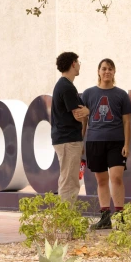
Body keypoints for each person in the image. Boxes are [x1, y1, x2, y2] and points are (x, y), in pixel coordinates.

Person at [82, 58, 131, 230]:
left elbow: (127, 121)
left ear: (114, 72)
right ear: (98, 71)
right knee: (101, 179)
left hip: (116, 141)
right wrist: (82, 141)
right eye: (104, 69)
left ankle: (119, 215)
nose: (107, 72)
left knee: (116, 177)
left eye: (110, 69)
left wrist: (127, 144)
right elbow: (84, 120)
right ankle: (105, 217)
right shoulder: (88, 94)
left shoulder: (121, 95)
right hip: (95, 141)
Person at [51, 52, 89, 202]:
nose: (79, 65)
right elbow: (78, 114)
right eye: (78, 62)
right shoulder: (67, 87)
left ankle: (65, 220)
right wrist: (88, 111)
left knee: (67, 179)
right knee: (70, 182)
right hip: (68, 140)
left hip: (65, 139)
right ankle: (66, 222)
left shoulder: (64, 85)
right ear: (73, 64)